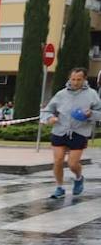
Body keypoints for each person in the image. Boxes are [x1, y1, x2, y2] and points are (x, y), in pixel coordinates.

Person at [42, 67, 101, 198]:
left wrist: (91, 114)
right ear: (69, 78)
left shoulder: (92, 95)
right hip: (60, 130)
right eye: (73, 79)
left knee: (72, 164)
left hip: (79, 132)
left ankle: (79, 178)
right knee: (58, 160)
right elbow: (46, 111)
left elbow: (99, 113)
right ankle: (59, 187)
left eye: (78, 79)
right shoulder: (61, 94)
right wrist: (50, 118)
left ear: (84, 79)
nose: (75, 82)